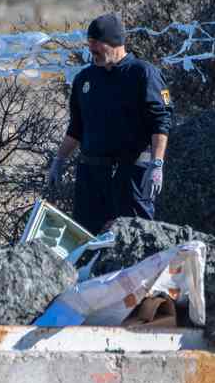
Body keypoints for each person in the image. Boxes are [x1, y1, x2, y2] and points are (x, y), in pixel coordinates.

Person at [46, 13, 172, 234]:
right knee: (86, 238)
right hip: (91, 176)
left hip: (131, 174)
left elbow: (161, 122)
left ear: (115, 44)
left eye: (97, 47)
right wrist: (59, 159)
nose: (92, 52)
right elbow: (76, 128)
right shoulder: (84, 79)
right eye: (90, 46)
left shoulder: (143, 74)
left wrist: (157, 164)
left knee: (135, 238)